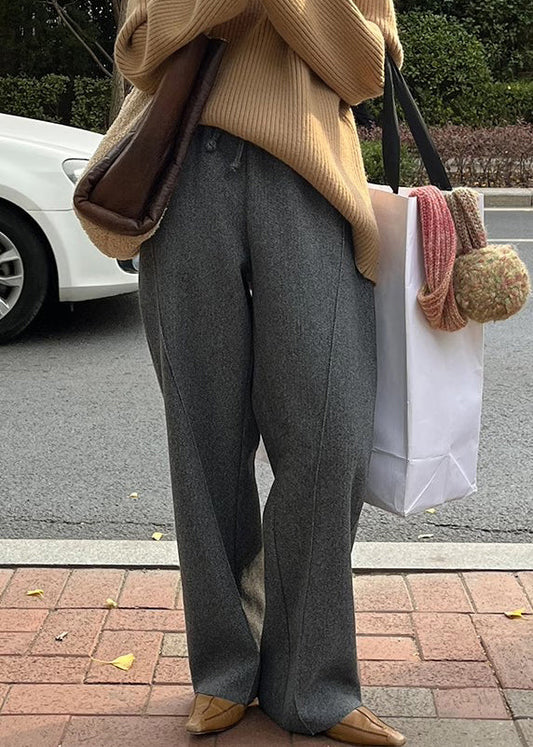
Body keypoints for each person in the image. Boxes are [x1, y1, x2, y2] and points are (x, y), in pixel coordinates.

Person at [114, 1, 406, 744]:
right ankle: (224, 671)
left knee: (330, 440)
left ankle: (313, 683)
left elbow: (366, 69)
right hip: (184, 177)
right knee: (204, 439)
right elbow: (139, 52)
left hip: (312, 185)